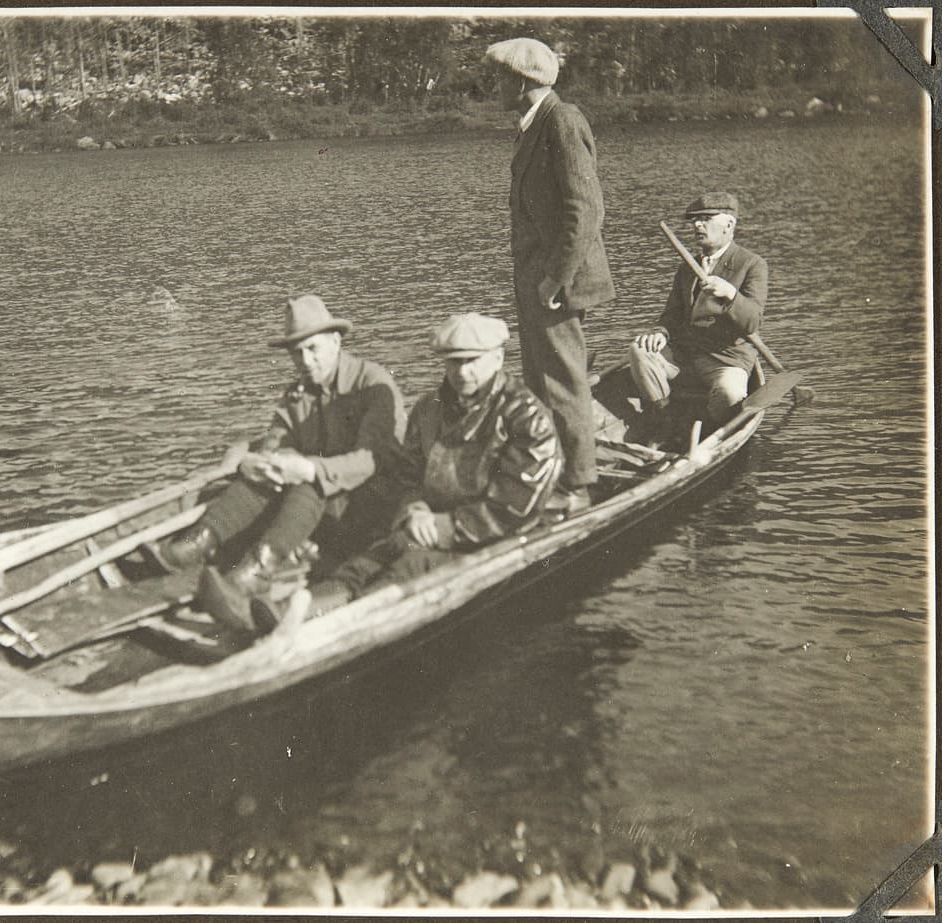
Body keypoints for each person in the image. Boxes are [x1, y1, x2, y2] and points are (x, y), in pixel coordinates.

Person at [152, 294, 406, 633]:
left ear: (335, 341)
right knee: (267, 474)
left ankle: (256, 573)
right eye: (296, 353)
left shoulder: (371, 384)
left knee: (309, 478)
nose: (305, 360)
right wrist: (265, 463)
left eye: (313, 349)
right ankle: (198, 544)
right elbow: (277, 441)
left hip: (373, 508)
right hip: (321, 510)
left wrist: (310, 469)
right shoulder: (298, 393)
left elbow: (371, 459)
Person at [308, 313, 562, 611]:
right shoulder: (429, 409)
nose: (463, 372)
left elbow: (514, 506)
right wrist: (414, 510)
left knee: (408, 569)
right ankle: (299, 610)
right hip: (427, 525)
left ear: (497, 358)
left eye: (472, 361)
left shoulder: (527, 417)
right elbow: (406, 477)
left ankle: (341, 625)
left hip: (497, 537)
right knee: (366, 562)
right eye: (454, 361)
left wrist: (443, 526)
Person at [484, 37, 616, 517]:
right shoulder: (533, 124)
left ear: (523, 82)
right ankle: (551, 473)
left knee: (563, 381)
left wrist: (556, 280)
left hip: (557, 283)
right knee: (540, 381)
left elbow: (585, 210)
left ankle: (579, 485)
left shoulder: (561, 120)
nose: (495, 85)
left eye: (501, 77)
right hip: (537, 279)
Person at [628, 192, 767, 432]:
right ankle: (665, 419)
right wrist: (660, 332)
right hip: (686, 355)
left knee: (730, 393)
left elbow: (753, 322)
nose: (697, 225)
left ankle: (709, 429)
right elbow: (671, 315)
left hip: (726, 358)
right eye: (694, 220)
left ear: (729, 224)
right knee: (639, 351)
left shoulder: (752, 264)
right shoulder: (687, 267)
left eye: (705, 218)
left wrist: (731, 295)